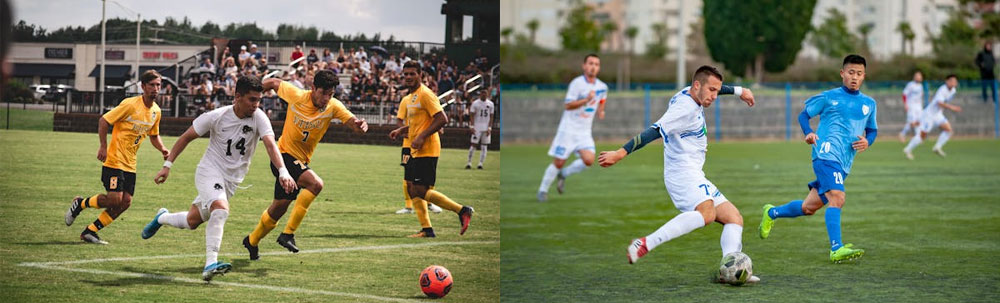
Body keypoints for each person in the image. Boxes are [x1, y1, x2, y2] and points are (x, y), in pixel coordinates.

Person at [597, 65, 757, 280]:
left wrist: (739, 91)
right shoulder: (684, 109)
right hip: (682, 173)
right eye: (711, 90)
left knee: (734, 218)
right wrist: (620, 152)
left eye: (716, 91)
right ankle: (645, 243)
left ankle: (728, 270)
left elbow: (715, 87)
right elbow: (653, 131)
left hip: (694, 172)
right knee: (707, 214)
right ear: (697, 85)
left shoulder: (691, 92)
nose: (714, 96)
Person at [141, 75, 297, 281]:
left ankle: (162, 217)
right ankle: (210, 264)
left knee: (192, 221)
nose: (256, 105)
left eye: (259, 100)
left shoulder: (259, 117)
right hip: (209, 171)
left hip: (231, 181)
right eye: (252, 99)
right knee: (221, 209)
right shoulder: (216, 116)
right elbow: (186, 137)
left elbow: (270, 145)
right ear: (237, 97)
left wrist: (283, 171)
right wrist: (166, 166)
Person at [759, 54, 877, 263]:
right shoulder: (829, 97)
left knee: (809, 208)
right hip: (825, 154)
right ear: (842, 73)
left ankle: (772, 213)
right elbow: (803, 115)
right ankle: (836, 248)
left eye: (859, 74)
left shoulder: (869, 103)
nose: (854, 77)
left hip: (844, 163)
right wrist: (809, 132)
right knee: (837, 197)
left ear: (864, 76)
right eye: (851, 72)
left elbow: (872, 130)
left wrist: (868, 141)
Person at [241, 70, 369, 259]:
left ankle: (252, 241)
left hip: (299, 161)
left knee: (278, 209)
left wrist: (360, 126)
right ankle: (288, 234)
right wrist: (253, 95)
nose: (326, 98)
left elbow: (352, 123)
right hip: (282, 156)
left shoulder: (333, 106)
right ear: (313, 88)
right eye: (323, 93)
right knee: (315, 184)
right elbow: (274, 82)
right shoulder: (298, 96)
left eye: (331, 94)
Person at [65, 70, 168, 245]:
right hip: (114, 159)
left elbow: (154, 135)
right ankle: (80, 203)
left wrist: (163, 149)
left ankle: (90, 231)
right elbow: (104, 121)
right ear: (143, 86)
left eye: (158, 85)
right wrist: (103, 146)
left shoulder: (156, 111)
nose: (156, 88)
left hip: (130, 163)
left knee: (125, 202)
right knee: (114, 199)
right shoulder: (130, 104)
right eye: (152, 85)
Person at [389, 61, 474, 238]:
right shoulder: (412, 97)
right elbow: (419, 124)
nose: (408, 77)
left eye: (412, 73)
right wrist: (401, 130)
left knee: (420, 189)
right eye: (406, 74)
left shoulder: (426, 94)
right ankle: (427, 229)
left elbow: (442, 119)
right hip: (416, 150)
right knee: (412, 188)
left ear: (421, 75)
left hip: (427, 148)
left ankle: (462, 210)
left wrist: (421, 137)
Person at [537, 54, 607, 202]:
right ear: (584, 66)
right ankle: (542, 191)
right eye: (590, 63)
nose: (593, 67)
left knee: (589, 160)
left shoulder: (602, 87)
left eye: (596, 64)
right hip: (568, 130)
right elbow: (568, 105)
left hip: (584, 132)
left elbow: (602, 99)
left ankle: (564, 174)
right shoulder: (577, 84)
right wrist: (586, 99)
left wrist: (601, 111)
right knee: (559, 162)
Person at [903, 74, 962, 159]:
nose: (954, 83)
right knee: (922, 136)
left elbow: (944, 102)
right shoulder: (942, 89)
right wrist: (952, 107)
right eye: (952, 81)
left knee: (949, 130)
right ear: (947, 81)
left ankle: (937, 147)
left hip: (938, 114)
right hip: (929, 115)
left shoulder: (953, 91)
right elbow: (939, 103)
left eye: (955, 81)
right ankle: (908, 149)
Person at [466, 90, 494, 169]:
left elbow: (491, 116)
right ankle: (469, 162)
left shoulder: (490, 104)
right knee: (473, 144)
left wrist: (489, 127)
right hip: (477, 127)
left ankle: (480, 164)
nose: (484, 95)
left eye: (485, 94)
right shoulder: (475, 103)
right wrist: (472, 126)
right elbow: (471, 115)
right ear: (480, 94)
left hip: (486, 127)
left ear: (487, 94)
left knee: (484, 146)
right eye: (482, 94)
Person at [899, 71, 924, 142]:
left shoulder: (921, 86)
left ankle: (917, 137)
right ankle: (902, 134)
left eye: (920, 76)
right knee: (912, 122)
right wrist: (905, 104)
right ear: (914, 77)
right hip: (911, 105)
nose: (919, 78)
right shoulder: (910, 85)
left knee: (919, 122)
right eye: (917, 76)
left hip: (919, 106)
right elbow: (904, 94)